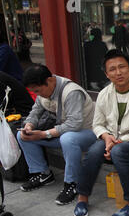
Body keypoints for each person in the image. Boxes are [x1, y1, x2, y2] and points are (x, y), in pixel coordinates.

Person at [73, 49, 129, 216]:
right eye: (112, 69)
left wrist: (118, 142)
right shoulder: (105, 94)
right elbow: (97, 124)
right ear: (106, 73)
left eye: (122, 67)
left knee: (119, 152)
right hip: (112, 140)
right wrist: (105, 136)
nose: (118, 72)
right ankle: (82, 198)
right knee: (94, 151)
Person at [17, 64, 97, 205]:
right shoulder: (43, 91)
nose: (38, 94)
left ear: (50, 80)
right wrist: (29, 126)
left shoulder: (71, 92)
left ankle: (72, 183)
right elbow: (35, 112)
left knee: (68, 138)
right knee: (23, 136)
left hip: (88, 133)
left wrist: (43, 134)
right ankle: (42, 174)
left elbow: (74, 124)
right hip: (62, 133)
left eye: (38, 90)